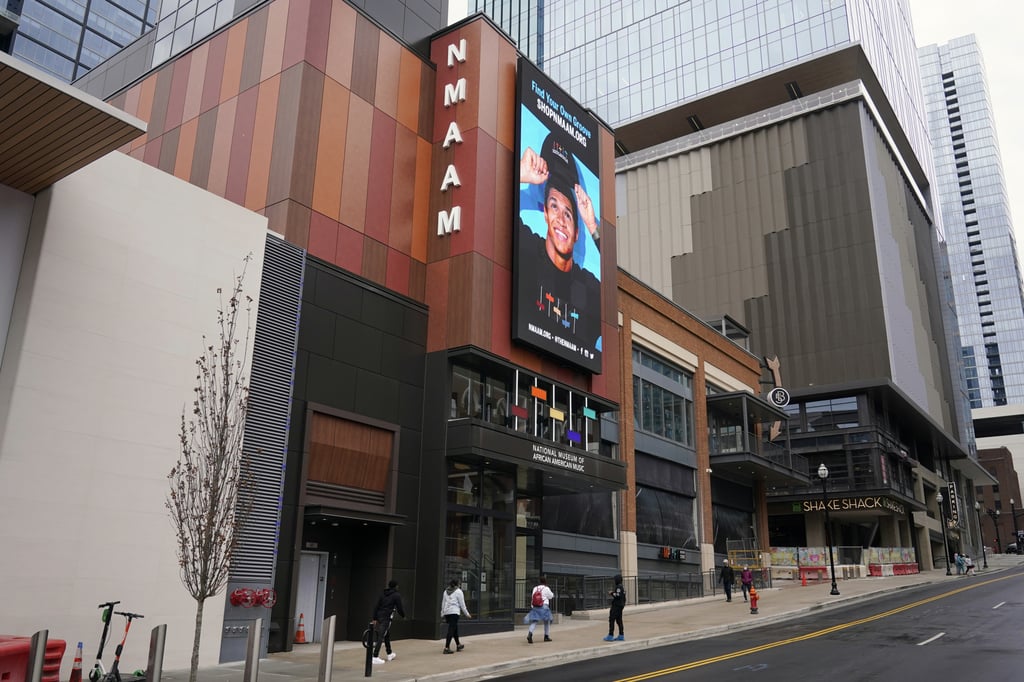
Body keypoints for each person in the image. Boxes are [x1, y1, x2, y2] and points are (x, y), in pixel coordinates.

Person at [517, 134, 602, 356]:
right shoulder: (525, 249)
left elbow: (619, 295)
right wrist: (520, 172)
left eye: (568, 214)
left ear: (577, 233)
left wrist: (593, 226)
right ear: (544, 213)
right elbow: (482, 197)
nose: (562, 221)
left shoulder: (589, 289)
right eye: (554, 207)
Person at [370, 580, 405, 664]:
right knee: (381, 635)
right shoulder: (396, 595)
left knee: (386, 635)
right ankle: (375, 656)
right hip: (386, 617)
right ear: (396, 586)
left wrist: (374, 618)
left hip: (379, 616)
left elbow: (377, 606)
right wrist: (403, 616)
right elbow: (399, 608)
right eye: (397, 586)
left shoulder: (383, 594)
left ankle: (389, 653)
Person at [440, 579, 472, 654]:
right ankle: (446, 648)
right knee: (451, 630)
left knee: (454, 628)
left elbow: (443, 603)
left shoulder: (445, 591)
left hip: (447, 613)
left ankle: (458, 645)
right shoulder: (458, 592)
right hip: (454, 613)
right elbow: (462, 605)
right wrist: (467, 614)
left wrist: (442, 613)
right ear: (457, 584)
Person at [524, 576, 554, 643]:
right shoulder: (546, 588)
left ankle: (530, 634)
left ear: (539, 582)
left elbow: (533, 597)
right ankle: (546, 636)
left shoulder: (535, 588)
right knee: (546, 621)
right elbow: (551, 596)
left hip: (535, 606)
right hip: (544, 606)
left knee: (534, 621)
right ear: (545, 582)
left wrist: (532, 606)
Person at [603, 574, 626, 641]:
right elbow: (623, 597)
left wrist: (612, 593)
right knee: (619, 620)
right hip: (620, 606)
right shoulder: (622, 587)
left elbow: (618, 595)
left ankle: (610, 635)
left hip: (616, 606)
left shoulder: (618, 587)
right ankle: (621, 635)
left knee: (611, 619)